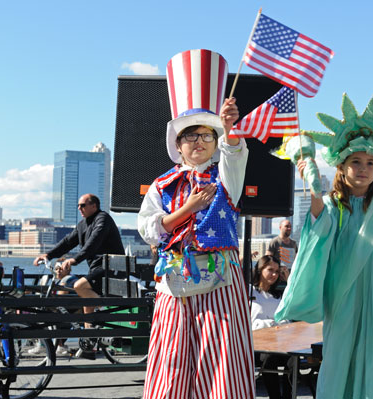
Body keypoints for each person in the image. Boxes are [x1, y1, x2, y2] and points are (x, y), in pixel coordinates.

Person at [275, 94, 373, 398]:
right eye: (356, 161)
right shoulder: (333, 205)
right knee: (340, 359)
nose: (364, 168)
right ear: (341, 166)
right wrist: (314, 185)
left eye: (371, 163)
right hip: (342, 298)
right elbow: (319, 228)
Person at [137, 49, 254, 399]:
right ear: (178, 144)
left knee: (221, 361)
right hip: (175, 281)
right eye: (191, 135)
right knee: (170, 359)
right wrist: (186, 209)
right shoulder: (162, 184)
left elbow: (235, 157)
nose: (199, 142)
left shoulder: (224, 179)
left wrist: (230, 131)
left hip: (221, 281)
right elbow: (149, 229)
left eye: (207, 135)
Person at [33, 193, 125, 329]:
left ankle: (104, 311)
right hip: (96, 268)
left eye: (82, 205)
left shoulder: (102, 219)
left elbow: (94, 242)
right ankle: (90, 341)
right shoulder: (83, 224)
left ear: (94, 206)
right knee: (87, 304)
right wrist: (48, 255)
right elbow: (68, 242)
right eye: (78, 206)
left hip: (112, 267)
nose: (79, 208)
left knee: (79, 286)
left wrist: (75, 260)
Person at [251, 255, 291, 399]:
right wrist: (272, 324)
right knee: (270, 359)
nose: (274, 275)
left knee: (293, 359)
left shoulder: (278, 296)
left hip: (277, 343)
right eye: (270, 270)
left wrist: (288, 280)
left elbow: (286, 319)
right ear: (260, 270)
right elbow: (250, 323)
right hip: (256, 345)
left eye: (277, 271)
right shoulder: (250, 292)